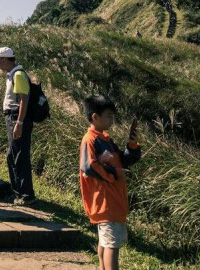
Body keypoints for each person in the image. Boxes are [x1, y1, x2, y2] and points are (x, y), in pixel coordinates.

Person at [80, 96, 141, 270]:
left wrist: (132, 145)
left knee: (105, 242)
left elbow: (121, 160)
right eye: (108, 116)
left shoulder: (106, 139)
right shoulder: (90, 140)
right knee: (112, 246)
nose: (112, 120)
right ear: (95, 117)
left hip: (113, 199)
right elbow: (89, 166)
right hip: (105, 201)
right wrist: (115, 173)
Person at [0, 46, 34, 205]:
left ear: (4, 59)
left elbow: (24, 99)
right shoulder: (14, 74)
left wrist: (19, 123)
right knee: (13, 155)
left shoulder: (18, 75)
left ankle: (26, 195)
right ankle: (18, 193)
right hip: (14, 118)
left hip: (16, 117)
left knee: (19, 156)